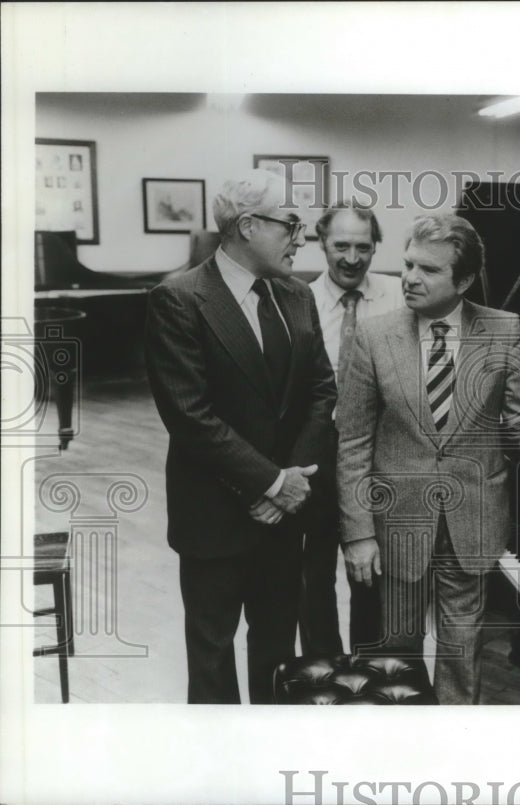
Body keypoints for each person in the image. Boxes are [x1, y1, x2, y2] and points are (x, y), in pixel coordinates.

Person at [336, 213, 520, 703]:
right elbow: (354, 442)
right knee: (398, 648)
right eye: (407, 264)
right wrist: (358, 533)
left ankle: (457, 745)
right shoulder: (373, 335)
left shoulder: (503, 331)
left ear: (463, 280)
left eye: (428, 270)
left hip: (474, 519)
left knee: (462, 649)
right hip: (398, 521)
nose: (410, 278)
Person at [145, 169, 336, 704]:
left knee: (278, 656)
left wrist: (290, 486)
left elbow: (323, 394)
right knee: (211, 662)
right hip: (215, 517)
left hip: (283, 518)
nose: (302, 237)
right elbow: (191, 417)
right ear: (249, 226)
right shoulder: (178, 299)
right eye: (291, 224)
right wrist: (273, 483)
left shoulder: (296, 296)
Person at [300, 202, 403, 657]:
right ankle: (325, 674)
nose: (351, 258)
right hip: (316, 459)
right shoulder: (295, 300)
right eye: (341, 245)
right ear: (321, 242)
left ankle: (369, 678)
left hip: (376, 462)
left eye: (363, 247)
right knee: (312, 577)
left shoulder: (400, 297)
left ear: (375, 247)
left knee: (372, 576)